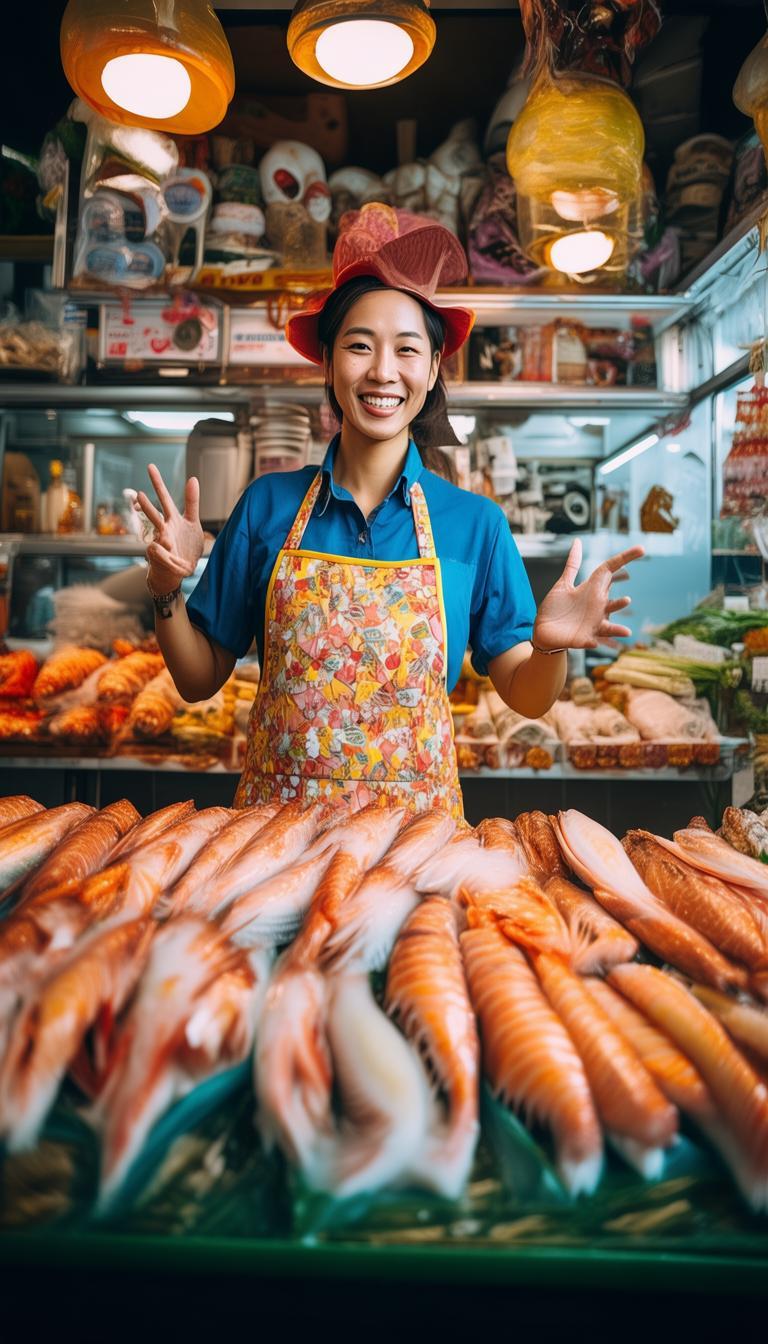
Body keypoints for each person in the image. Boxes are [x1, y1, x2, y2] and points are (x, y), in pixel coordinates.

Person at [138, 205, 642, 817]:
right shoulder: (267, 505)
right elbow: (199, 680)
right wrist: (166, 590)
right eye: (359, 345)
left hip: (417, 854)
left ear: (432, 370)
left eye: (407, 349)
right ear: (328, 363)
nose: (382, 371)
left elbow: (527, 697)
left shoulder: (475, 525)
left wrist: (553, 649)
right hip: (275, 844)